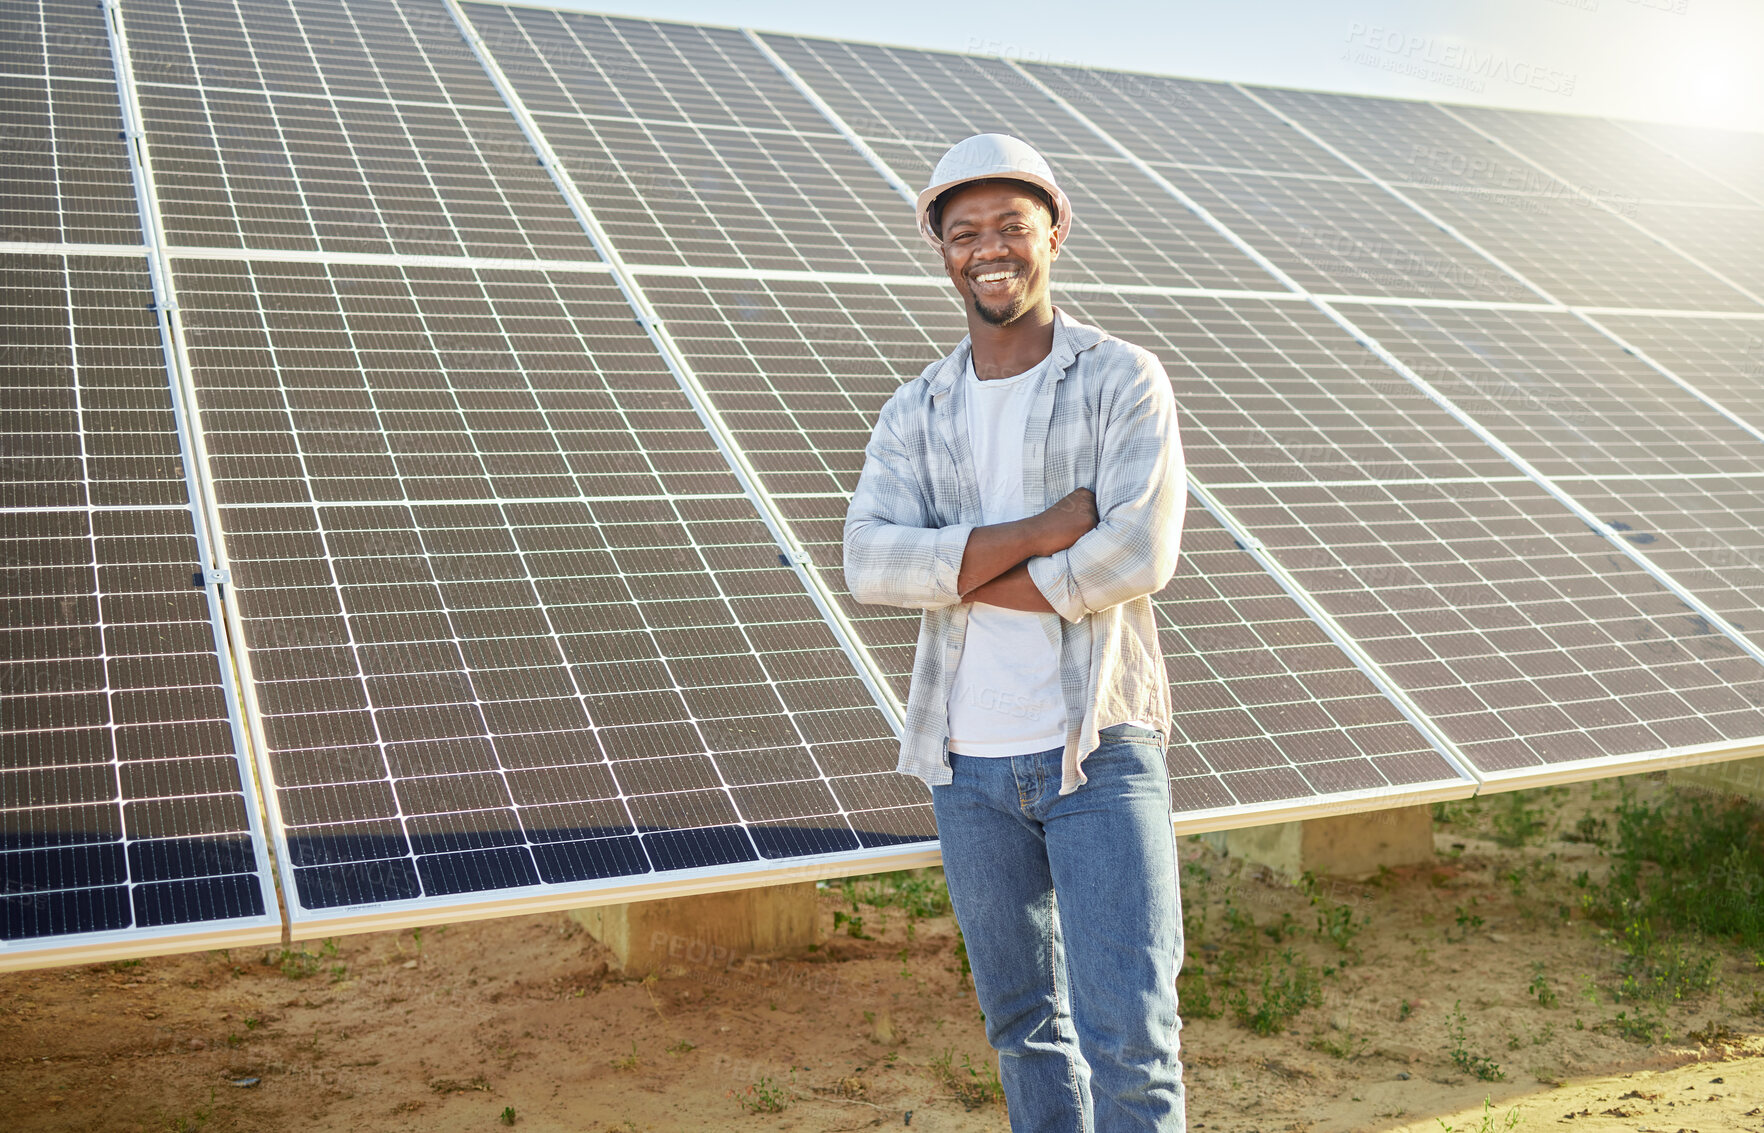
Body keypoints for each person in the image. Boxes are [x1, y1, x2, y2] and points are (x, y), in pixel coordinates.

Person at [844, 133, 1189, 1131]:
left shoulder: (1123, 378)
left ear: (1055, 231)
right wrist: (1043, 534)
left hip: (1100, 751)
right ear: (941, 250)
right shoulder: (918, 410)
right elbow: (870, 564)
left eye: (1010, 225)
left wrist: (951, 568)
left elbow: (1132, 558)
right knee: (1023, 1026)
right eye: (964, 233)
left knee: (1132, 1037)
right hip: (967, 762)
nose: (988, 248)